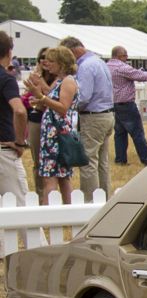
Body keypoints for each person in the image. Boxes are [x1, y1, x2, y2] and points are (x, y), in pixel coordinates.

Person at [56, 37, 112, 201]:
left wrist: (67, 105)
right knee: (103, 162)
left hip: (93, 116)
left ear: (72, 51)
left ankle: (90, 201)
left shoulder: (85, 66)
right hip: (107, 114)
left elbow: (84, 96)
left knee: (88, 161)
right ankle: (105, 198)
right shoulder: (98, 61)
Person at [27, 46, 77, 205]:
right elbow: (55, 105)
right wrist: (40, 101)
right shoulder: (61, 81)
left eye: (52, 61)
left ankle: (50, 213)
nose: (48, 64)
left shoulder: (68, 81)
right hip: (53, 133)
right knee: (62, 177)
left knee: (51, 178)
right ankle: (67, 212)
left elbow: (63, 108)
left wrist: (41, 96)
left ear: (62, 63)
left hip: (57, 135)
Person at [107, 46, 147, 167]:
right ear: (120, 56)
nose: (127, 58)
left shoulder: (106, 66)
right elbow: (143, 76)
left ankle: (120, 159)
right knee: (137, 132)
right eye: (126, 55)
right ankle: (146, 158)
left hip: (114, 104)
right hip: (126, 104)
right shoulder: (122, 67)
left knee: (119, 133)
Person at [0, 31, 30, 204]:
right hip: (4, 148)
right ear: (9, 52)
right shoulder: (6, 79)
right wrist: (19, 142)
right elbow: (19, 110)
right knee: (21, 203)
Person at [20, 47, 48, 199]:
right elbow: (27, 96)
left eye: (47, 58)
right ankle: (40, 194)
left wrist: (41, 83)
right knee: (37, 161)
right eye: (41, 58)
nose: (44, 61)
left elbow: (52, 96)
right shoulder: (33, 77)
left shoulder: (57, 78)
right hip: (35, 120)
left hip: (52, 121)